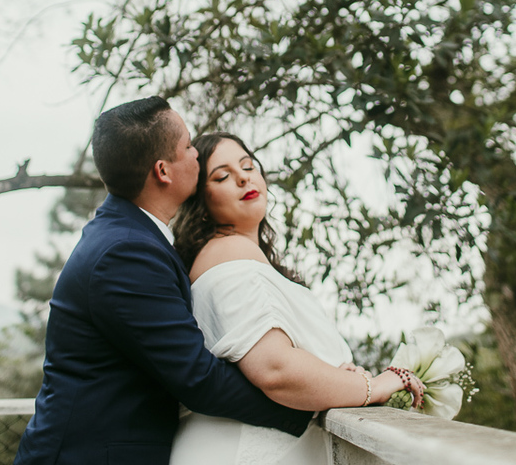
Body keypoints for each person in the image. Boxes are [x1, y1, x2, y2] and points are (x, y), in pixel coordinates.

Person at [13, 98, 312, 465]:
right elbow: (198, 378)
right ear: (163, 171)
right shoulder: (125, 253)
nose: (196, 157)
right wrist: (305, 405)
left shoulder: (130, 237)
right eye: (187, 146)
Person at [169, 132, 425, 465]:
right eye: (223, 176)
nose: (244, 177)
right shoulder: (229, 252)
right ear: (201, 205)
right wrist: (372, 386)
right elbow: (276, 369)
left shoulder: (240, 256)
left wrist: (338, 376)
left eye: (248, 166)